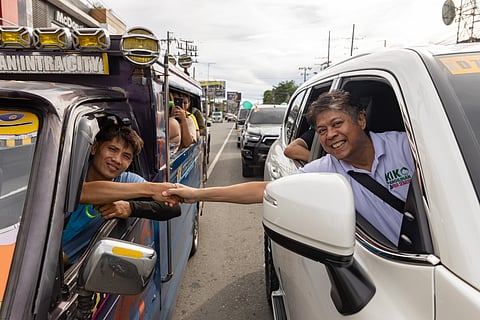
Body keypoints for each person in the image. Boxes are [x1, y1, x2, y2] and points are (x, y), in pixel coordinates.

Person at [163, 89, 414, 246]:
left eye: (338, 124)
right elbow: (263, 190)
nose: (331, 136)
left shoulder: (407, 147)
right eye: (322, 130)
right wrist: (195, 194)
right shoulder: (325, 170)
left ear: (361, 119)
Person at [62, 122, 180, 264]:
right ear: (94, 148)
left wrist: (130, 208)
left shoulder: (127, 180)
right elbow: (83, 192)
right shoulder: (70, 174)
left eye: (126, 156)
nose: (117, 160)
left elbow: (173, 208)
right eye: (112, 149)